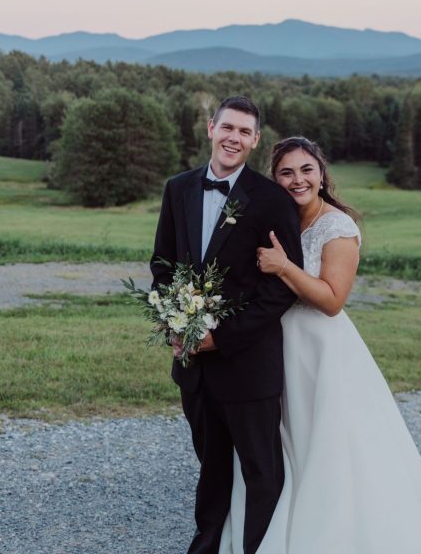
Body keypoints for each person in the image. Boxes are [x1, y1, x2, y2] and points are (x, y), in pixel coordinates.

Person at [217, 136, 421, 554]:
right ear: (274, 178)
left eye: (306, 170)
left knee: (326, 442)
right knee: (277, 442)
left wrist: (283, 267)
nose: (297, 180)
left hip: (319, 350)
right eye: (286, 172)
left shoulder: (338, 226)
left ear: (321, 173)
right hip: (270, 342)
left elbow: (332, 301)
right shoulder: (274, 219)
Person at [150, 96, 304, 554]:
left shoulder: (273, 199)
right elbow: (162, 265)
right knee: (211, 467)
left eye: (244, 132)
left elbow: (281, 289)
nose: (234, 138)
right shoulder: (177, 189)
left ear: (255, 141)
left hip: (248, 364)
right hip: (192, 366)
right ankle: (207, 547)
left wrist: (221, 337)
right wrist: (175, 325)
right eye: (228, 128)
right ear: (211, 128)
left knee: (261, 473)